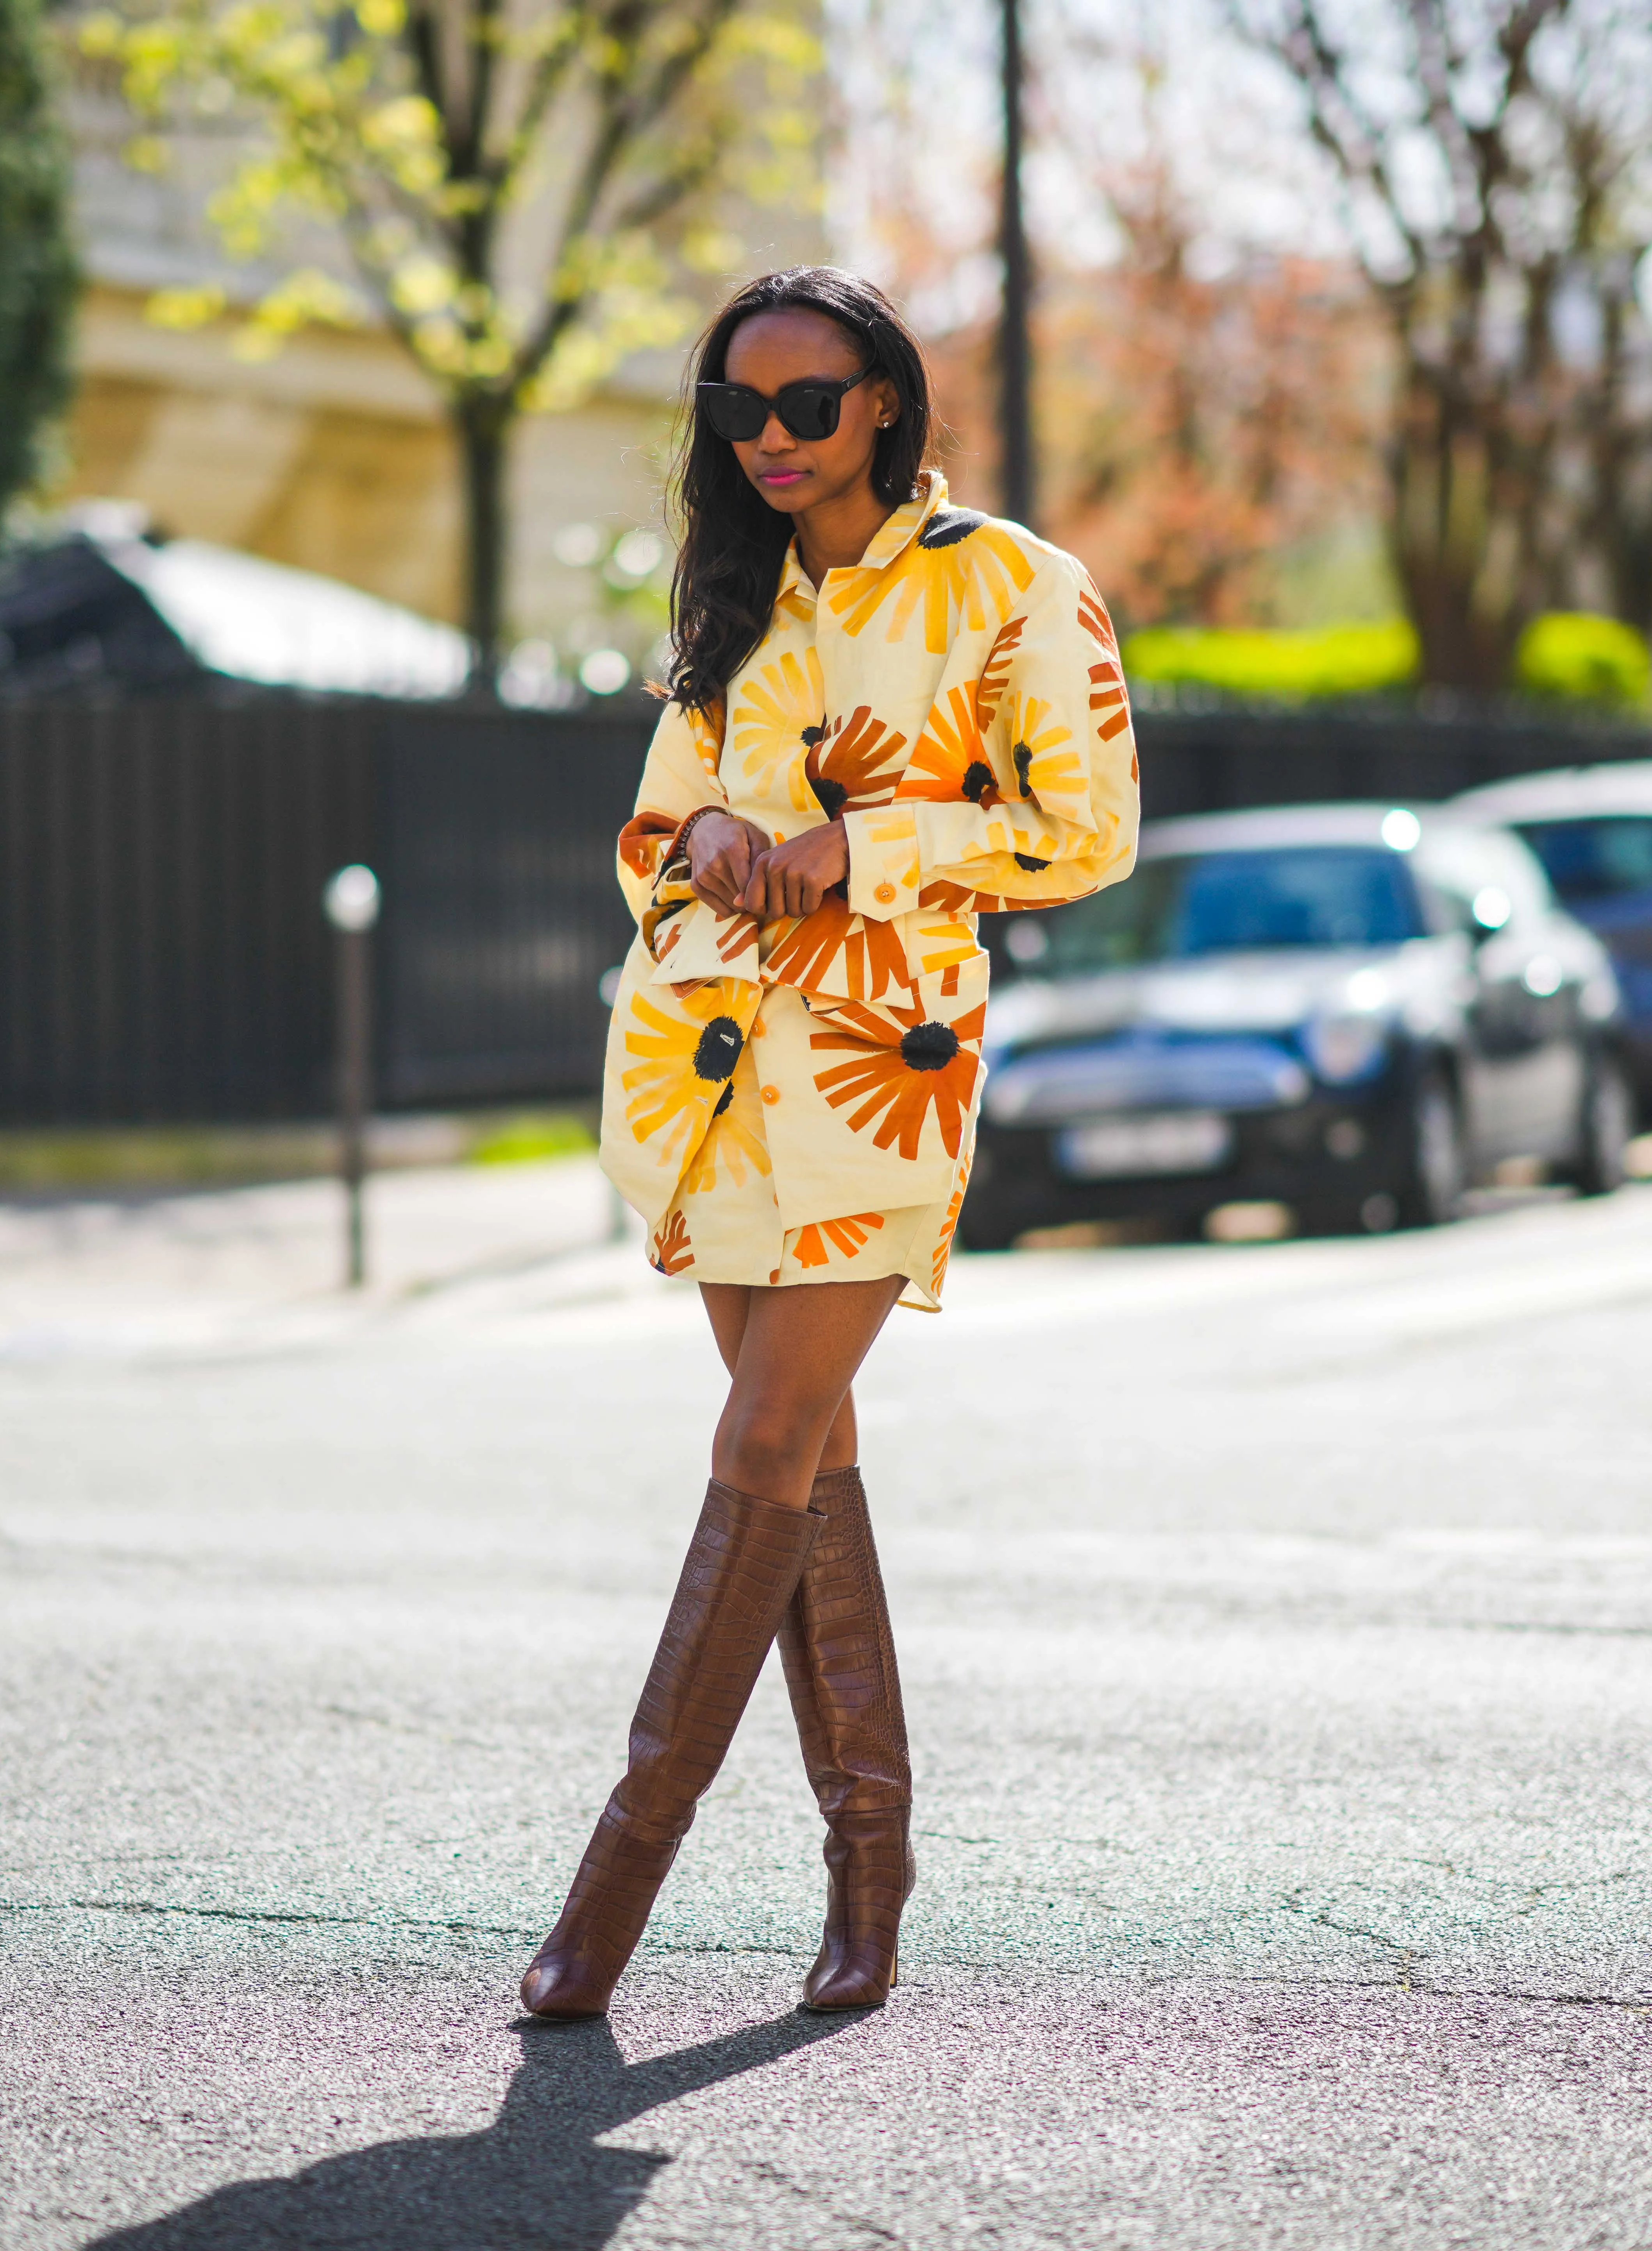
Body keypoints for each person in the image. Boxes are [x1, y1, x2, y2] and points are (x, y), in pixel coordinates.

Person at [518, 267, 1140, 2020]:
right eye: (739, 410)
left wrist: (864, 852)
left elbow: (1086, 838)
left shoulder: (1016, 587)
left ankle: (614, 1887)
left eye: (809, 403)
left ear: (883, 399)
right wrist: (711, 832)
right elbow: (643, 836)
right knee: (807, 1475)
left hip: (887, 1069)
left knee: (767, 1432)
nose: (774, 439)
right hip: (709, 1075)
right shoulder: (735, 602)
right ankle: (872, 1871)